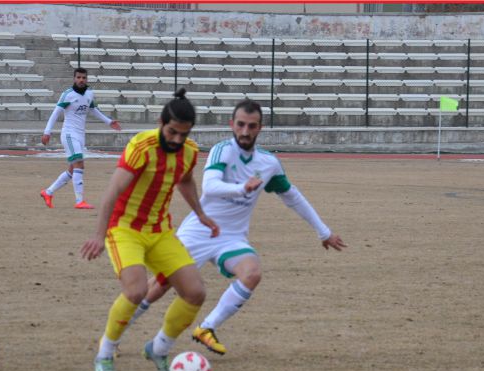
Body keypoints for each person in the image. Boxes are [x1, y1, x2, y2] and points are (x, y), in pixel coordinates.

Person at [127, 99, 347, 355]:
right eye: (240, 125)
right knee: (159, 286)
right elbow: (210, 186)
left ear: (260, 128)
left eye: (251, 126)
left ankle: (207, 328)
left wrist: (324, 231)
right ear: (232, 124)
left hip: (231, 237)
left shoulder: (268, 163)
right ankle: (118, 332)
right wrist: (242, 188)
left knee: (252, 273)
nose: (245, 131)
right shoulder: (223, 150)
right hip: (200, 230)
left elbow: (292, 196)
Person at [80, 88, 219, 371]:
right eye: (172, 132)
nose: (177, 140)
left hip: (160, 232)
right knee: (136, 290)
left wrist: (202, 214)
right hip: (125, 228)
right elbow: (112, 192)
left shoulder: (190, 151)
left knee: (195, 293)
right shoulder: (140, 146)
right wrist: (98, 235)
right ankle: (105, 354)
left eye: (183, 134)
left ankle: (158, 349)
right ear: (161, 122)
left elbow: (185, 181)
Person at [40, 67, 122, 209]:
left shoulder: (89, 93)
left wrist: (108, 121)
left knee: (73, 169)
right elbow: (55, 113)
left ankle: (48, 192)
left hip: (80, 135)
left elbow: (92, 110)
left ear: (86, 79)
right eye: (78, 77)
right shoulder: (68, 94)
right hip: (69, 134)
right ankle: (79, 201)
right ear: (74, 78)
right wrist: (47, 132)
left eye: (83, 77)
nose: (81, 80)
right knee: (79, 164)